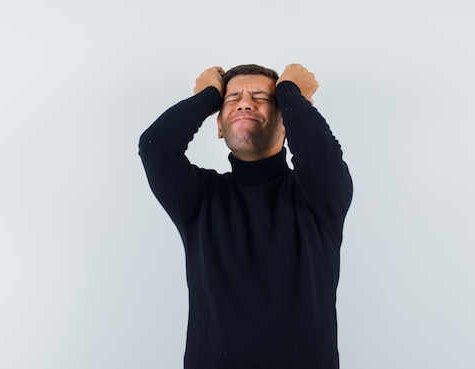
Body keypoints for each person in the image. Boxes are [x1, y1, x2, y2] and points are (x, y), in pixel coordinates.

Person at [138, 63, 353, 369]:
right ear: (219, 126)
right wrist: (209, 94)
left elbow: (321, 154)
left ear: (286, 122)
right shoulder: (199, 197)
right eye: (232, 98)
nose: (245, 102)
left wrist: (290, 92)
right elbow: (154, 147)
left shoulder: (317, 196)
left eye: (262, 97)